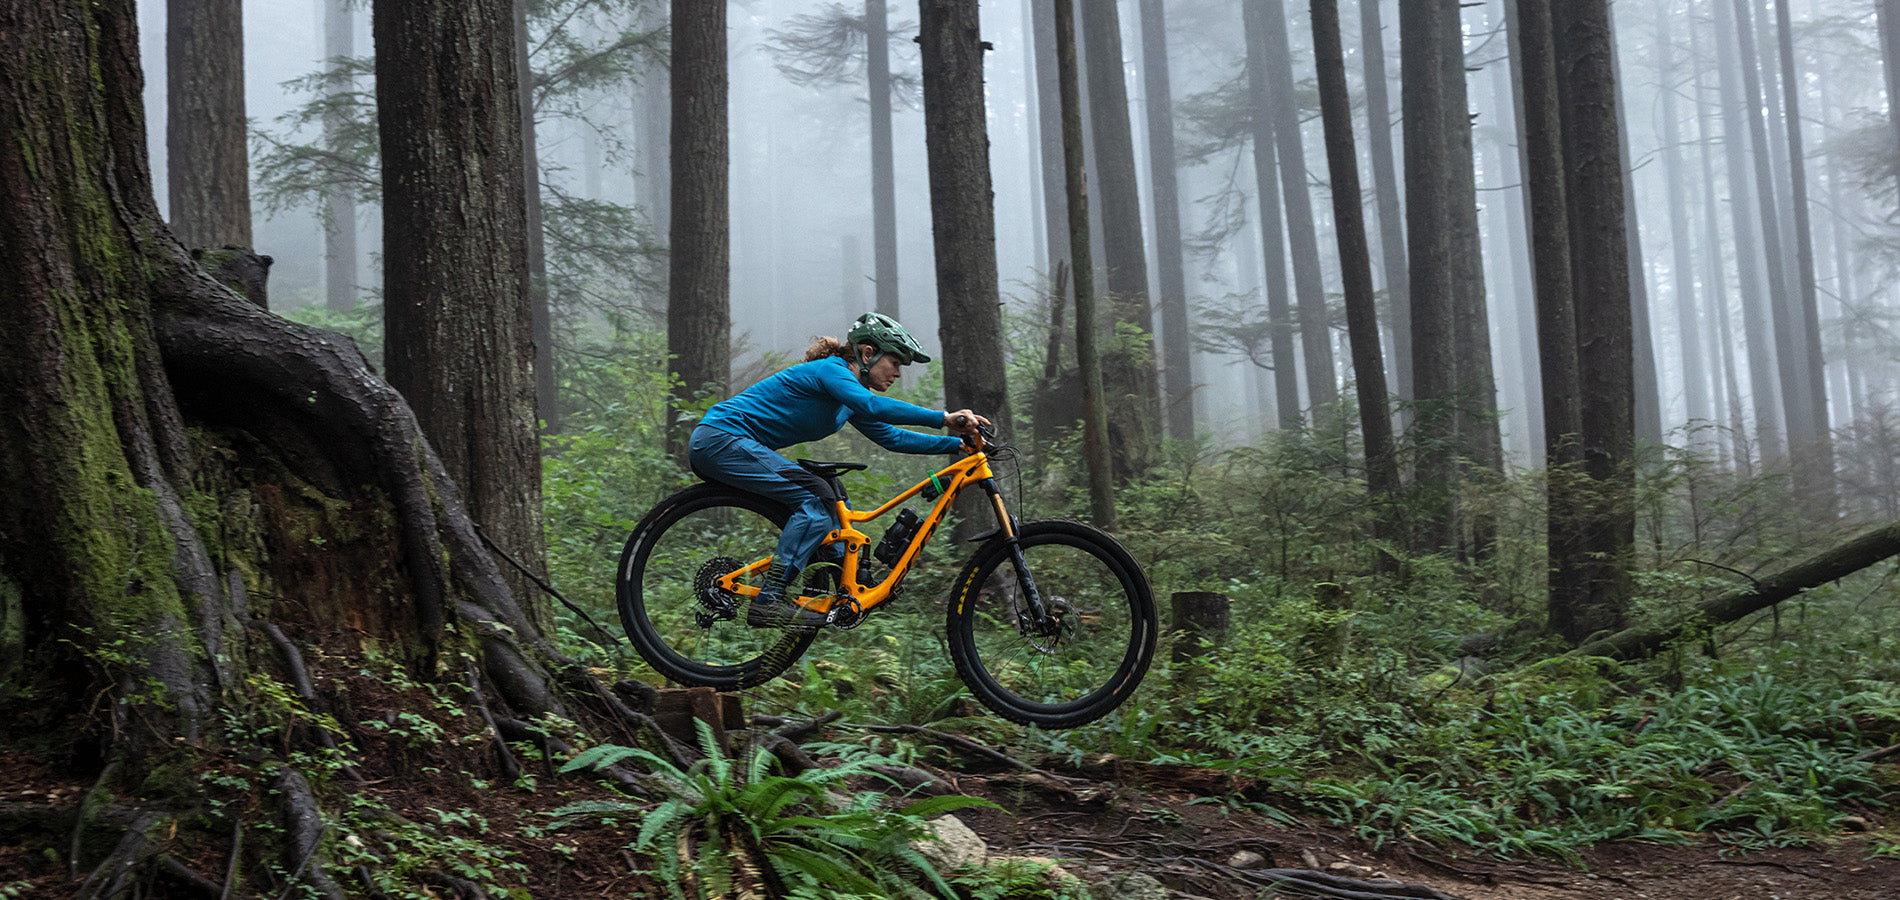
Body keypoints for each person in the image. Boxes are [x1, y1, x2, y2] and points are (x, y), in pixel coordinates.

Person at [689, 312, 990, 628]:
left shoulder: (849, 396)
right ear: (868, 353)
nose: (898, 373)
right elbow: (873, 407)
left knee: (829, 500)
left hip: (735, 446)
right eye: (896, 362)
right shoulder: (831, 371)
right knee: (815, 501)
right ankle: (770, 600)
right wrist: (944, 418)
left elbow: (891, 436)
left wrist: (956, 446)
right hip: (720, 439)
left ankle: (844, 591)